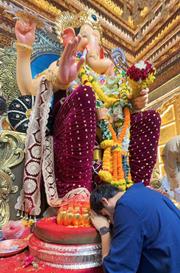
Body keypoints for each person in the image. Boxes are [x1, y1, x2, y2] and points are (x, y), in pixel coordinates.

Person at [14, 10, 160, 223]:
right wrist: (26, 52)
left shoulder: (118, 80)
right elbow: (28, 89)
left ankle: (140, 190)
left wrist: (138, 101)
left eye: (92, 38)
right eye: (82, 37)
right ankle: (77, 192)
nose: (87, 43)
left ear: (102, 47)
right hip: (73, 152)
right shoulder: (65, 64)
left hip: (117, 156)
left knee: (151, 118)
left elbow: (127, 113)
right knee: (84, 94)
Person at [90, 183, 180, 273]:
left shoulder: (126, 208)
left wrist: (104, 231)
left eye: (106, 216)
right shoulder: (148, 193)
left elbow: (116, 270)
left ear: (105, 201)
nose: (111, 221)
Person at [162, 136, 180, 202]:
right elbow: (172, 171)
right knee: (174, 179)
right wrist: (176, 187)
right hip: (170, 155)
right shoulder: (171, 149)